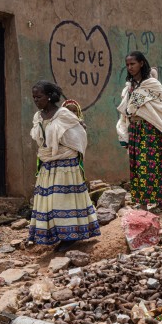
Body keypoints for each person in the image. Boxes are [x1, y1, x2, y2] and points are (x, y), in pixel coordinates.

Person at [28, 81, 101, 252]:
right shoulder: (38, 117)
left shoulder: (63, 115)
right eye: (34, 97)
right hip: (48, 164)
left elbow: (79, 137)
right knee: (49, 202)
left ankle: (70, 237)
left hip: (65, 164)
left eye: (39, 97)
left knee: (63, 200)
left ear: (49, 96)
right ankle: (56, 235)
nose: (36, 100)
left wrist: (65, 152)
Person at [116, 51, 162, 213]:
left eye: (133, 64)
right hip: (135, 129)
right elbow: (126, 111)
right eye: (128, 65)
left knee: (150, 165)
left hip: (150, 129)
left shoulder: (152, 84)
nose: (130, 67)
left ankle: (156, 202)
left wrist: (151, 111)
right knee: (137, 165)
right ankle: (143, 203)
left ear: (141, 64)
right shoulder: (130, 87)